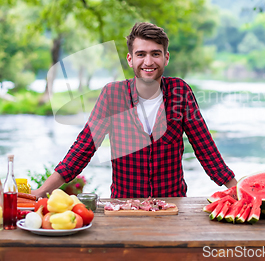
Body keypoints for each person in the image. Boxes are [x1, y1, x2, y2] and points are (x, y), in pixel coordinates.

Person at [33, 22, 236, 198]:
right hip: (124, 206)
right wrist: (40, 192)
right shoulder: (112, 95)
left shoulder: (180, 92)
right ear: (130, 59)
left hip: (173, 206)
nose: (148, 62)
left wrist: (237, 189)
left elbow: (204, 146)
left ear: (166, 57)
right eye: (141, 54)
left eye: (155, 54)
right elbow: (83, 148)